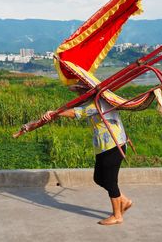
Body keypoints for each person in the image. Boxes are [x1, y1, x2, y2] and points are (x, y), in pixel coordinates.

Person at [42, 82, 133, 225]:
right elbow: (77, 109)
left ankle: (117, 216)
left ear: (89, 92)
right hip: (103, 147)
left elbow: (76, 113)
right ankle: (124, 200)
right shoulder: (94, 101)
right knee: (98, 178)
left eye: (81, 92)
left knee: (110, 181)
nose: (79, 95)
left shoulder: (97, 103)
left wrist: (54, 113)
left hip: (113, 145)